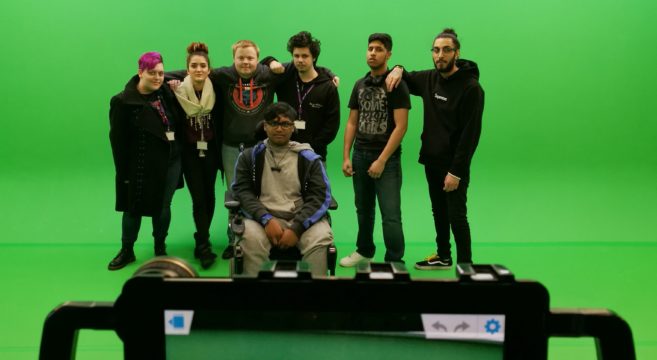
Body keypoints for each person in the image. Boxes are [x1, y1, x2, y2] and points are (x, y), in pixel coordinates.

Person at [168, 40, 285, 259]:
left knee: (263, 193)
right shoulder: (222, 75)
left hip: (260, 146)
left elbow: (300, 66)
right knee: (234, 196)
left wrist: (328, 73)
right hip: (230, 147)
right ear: (233, 59)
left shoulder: (268, 74)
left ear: (257, 59)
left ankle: (260, 239)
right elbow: (190, 71)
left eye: (250, 58)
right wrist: (154, 78)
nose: (245, 62)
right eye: (241, 57)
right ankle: (234, 241)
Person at [385, 28, 484, 269]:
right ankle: (443, 256)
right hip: (432, 161)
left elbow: (470, 136)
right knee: (439, 211)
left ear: (457, 53)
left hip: (453, 166)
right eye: (436, 50)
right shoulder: (429, 78)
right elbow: (406, 76)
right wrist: (397, 67)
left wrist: (456, 172)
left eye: (446, 50)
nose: (440, 55)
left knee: (456, 216)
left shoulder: (471, 88)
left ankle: (466, 266)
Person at [231, 102, 334, 276]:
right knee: (250, 238)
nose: (279, 129)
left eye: (285, 124)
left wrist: (297, 227)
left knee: (320, 237)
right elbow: (242, 191)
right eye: (274, 123)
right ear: (265, 126)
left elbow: (320, 195)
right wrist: (266, 219)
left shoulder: (308, 158)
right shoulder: (249, 157)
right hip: (262, 217)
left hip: (300, 217)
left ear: (293, 127)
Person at [339, 33, 411, 267]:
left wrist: (381, 160)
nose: (372, 53)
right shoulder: (360, 84)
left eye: (379, 49)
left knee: (390, 215)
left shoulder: (396, 84)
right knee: (364, 210)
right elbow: (351, 122)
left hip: (386, 161)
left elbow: (401, 127)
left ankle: (394, 260)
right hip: (360, 155)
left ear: (388, 54)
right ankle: (364, 250)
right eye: (370, 48)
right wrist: (346, 156)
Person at [108, 52, 183, 270]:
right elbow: (117, 141)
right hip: (139, 165)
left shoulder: (166, 92)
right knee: (133, 207)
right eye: (152, 73)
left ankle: (160, 247)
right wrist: (123, 174)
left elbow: (188, 71)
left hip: (170, 160)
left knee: (163, 206)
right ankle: (127, 250)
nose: (158, 77)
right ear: (140, 72)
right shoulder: (122, 101)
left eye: (161, 73)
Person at [172, 42, 221, 269]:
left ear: (209, 69)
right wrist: (173, 81)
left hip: (211, 149)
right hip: (190, 152)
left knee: (210, 196)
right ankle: (203, 245)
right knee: (198, 198)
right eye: (194, 66)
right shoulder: (178, 90)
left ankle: (202, 236)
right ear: (187, 69)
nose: (199, 69)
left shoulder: (216, 87)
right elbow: (157, 76)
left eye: (203, 65)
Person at [272, 31, 340, 162]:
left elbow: (331, 125)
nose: (300, 60)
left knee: (314, 183)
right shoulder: (285, 78)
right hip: (284, 152)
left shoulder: (328, 87)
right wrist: (271, 61)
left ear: (313, 57)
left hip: (314, 154)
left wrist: (311, 146)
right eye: (296, 56)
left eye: (305, 56)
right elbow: (260, 69)